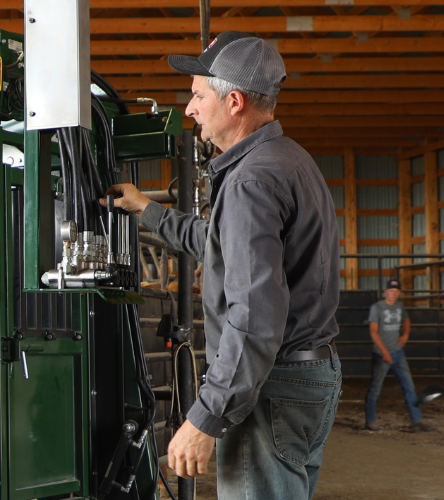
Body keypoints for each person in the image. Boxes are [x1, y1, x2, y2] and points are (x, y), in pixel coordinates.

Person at [102, 32, 341, 500]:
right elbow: (219, 244)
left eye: (196, 95)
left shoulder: (251, 179)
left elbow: (253, 318)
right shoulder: (289, 160)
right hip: (310, 376)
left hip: (270, 385)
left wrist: (205, 417)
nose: (189, 109)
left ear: (233, 101)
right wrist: (146, 209)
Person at [365, 280, 436, 433]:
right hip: (382, 354)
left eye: (397, 291)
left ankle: (416, 421)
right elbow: (373, 332)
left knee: (409, 386)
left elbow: (406, 319)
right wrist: (384, 352)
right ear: (385, 292)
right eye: (391, 291)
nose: (394, 294)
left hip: (397, 352)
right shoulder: (377, 308)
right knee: (375, 389)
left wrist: (405, 334)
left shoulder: (399, 306)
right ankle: (371, 421)